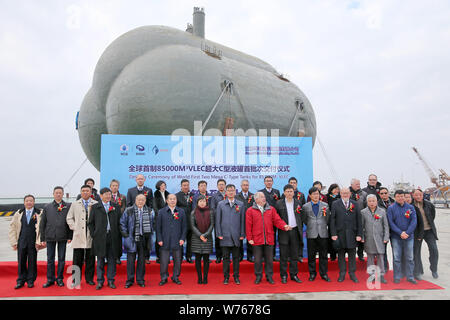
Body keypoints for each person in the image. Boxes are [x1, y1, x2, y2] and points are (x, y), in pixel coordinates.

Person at [246, 192, 290, 284]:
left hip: (269, 238)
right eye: (262, 197)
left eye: (264, 197)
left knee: (269, 260)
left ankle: (269, 276)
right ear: (256, 199)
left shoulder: (271, 209)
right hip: (256, 239)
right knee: (257, 260)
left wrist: (284, 226)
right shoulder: (250, 210)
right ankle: (258, 276)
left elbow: (277, 220)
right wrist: (249, 238)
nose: (264, 198)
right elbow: (248, 225)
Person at [89, 187, 122, 290]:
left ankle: (111, 281)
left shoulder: (115, 206)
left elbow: (119, 222)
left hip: (112, 237)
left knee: (112, 260)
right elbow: (90, 223)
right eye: (106, 194)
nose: (108, 196)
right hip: (100, 238)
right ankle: (100, 281)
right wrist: (94, 234)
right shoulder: (95, 207)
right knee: (100, 260)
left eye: (109, 194)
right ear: (101, 195)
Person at [40, 186, 72, 288]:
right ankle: (50, 279)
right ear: (53, 194)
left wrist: (70, 236)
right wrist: (42, 238)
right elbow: (43, 223)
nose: (58, 194)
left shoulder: (68, 206)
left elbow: (70, 221)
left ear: (63, 194)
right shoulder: (47, 207)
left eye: (60, 193)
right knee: (50, 259)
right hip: (50, 236)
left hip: (63, 236)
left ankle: (59, 279)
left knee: (61, 259)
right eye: (56, 193)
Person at [66, 185, 97, 287]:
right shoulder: (75, 204)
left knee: (90, 259)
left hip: (90, 235)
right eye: (83, 191)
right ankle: (76, 280)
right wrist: (75, 227)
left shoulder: (95, 203)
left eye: (87, 191)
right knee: (77, 259)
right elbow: (69, 218)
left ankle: (89, 279)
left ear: (90, 192)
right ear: (80, 192)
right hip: (78, 235)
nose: (85, 192)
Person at [120, 194, 154, 288]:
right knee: (130, 261)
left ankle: (140, 280)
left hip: (143, 239)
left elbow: (152, 224)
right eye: (139, 200)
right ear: (135, 200)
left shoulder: (149, 211)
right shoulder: (129, 210)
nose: (140, 202)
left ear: (145, 201)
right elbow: (122, 223)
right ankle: (129, 280)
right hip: (132, 238)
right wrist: (126, 236)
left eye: (142, 200)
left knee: (141, 261)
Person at [9, 195, 43, 289]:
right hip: (22, 241)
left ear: (34, 202)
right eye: (27, 201)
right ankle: (20, 280)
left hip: (33, 242)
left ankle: (30, 280)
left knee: (32, 262)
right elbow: (12, 228)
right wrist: (14, 242)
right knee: (21, 261)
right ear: (24, 202)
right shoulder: (19, 213)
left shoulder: (39, 213)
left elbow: (42, 229)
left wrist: (39, 241)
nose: (29, 202)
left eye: (31, 201)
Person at [330, 187, 362, 283]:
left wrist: (359, 234)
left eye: (347, 193)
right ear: (340, 193)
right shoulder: (335, 204)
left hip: (352, 234)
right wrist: (333, 233)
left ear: (350, 194)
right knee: (341, 256)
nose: (345, 195)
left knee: (352, 255)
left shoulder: (355, 204)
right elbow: (332, 220)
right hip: (340, 234)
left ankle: (352, 274)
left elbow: (359, 220)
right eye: (343, 193)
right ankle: (342, 273)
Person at [215, 184, 245, 285]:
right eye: (229, 190)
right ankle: (226, 277)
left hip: (236, 236)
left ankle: (236, 276)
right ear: (226, 192)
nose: (231, 192)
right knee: (226, 258)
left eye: (233, 190)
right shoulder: (221, 204)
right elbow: (217, 220)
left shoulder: (240, 204)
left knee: (236, 258)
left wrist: (242, 234)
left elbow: (242, 221)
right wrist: (219, 233)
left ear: (235, 192)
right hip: (224, 236)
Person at [387, 190, 418, 284]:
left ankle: (410, 276)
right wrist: (400, 233)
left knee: (410, 258)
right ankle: (397, 276)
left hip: (409, 237)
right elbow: (391, 223)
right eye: (398, 196)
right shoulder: (391, 208)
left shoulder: (410, 207)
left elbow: (414, 221)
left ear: (404, 197)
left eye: (402, 196)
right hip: (396, 237)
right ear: (395, 197)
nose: (400, 198)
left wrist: (407, 233)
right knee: (397, 258)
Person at [275, 184, 304, 284]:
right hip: (284, 232)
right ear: (284, 193)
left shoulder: (298, 202)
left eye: (291, 191)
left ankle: (294, 274)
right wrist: (283, 226)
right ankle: (283, 275)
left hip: (295, 231)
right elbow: (276, 219)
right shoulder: (279, 203)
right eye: (287, 191)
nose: (289, 193)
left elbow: (301, 216)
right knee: (283, 255)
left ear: (294, 192)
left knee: (294, 255)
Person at [302, 187, 331, 282]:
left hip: (322, 233)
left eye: (317, 194)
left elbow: (327, 220)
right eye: (313, 194)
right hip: (311, 233)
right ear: (310, 196)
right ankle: (312, 273)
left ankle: (324, 274)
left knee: (323, 255)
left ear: (320, 195)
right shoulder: (305, 206)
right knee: (311, 255)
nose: (316, 196)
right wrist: (311, 225)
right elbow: (304, 220)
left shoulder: (325, 205)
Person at [157, 194, 187, 286]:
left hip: (177, 240)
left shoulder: (181, 211)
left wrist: (182, 238)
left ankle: (175, 277)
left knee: (178, 260)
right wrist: (159, 239)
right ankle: (164, 277)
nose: (172, 200)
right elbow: (158, 227)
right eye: (170, 199)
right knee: (164, 261)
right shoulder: (161, 212)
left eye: (174, 199)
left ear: (176, 200)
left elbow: (184, 227)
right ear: (167, 201)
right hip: (164, 240)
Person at [360, 194, 389, 284]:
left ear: (376, 202)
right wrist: (362, 237)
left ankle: (381, 275)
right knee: (370, 258)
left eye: (373, 201)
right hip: (369, 238)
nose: (372, 203)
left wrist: (386, 237)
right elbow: (361, 226)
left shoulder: (382, 211)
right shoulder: (363, 212)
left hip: (380, 238)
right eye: (370, 201)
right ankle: (371, 275)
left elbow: (386, 226)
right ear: (367, 202)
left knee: (381, 257)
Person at [412, 189, 439, 280]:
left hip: (429, 231)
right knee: (416, 252)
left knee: (434, 250)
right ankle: (419, 271)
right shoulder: (411, 206)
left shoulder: (429, 205)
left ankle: (434, 269)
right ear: (413, 196)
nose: (418, 196)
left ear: (422, 195)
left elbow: (432, 216)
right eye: (416, 195)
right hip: (418, 232)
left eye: (420, 194)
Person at [190, 195, 214, 284]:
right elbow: (192, 226)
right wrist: (200, 235)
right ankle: (199, 277)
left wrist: (205, 235)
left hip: (207, 238)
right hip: (196, 238)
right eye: (200, 201)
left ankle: (205, 278)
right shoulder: (193, 212)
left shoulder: (210, 212)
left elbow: (212, 225)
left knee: (206, 259)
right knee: (197, 259)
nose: (202, 203)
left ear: (206, 202)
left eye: (204, 201)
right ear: (197, 203)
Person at [259, 176, 281, 261]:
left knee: (273, 237)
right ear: (264, 182)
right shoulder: (261, 192)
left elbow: (279, 204)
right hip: (263, 218)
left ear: (272, 182)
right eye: (267, 181)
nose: (269, 182)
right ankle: (263, 256)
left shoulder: (276, 192)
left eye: (270, 181)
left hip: (274, 218)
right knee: (263, 237)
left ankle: (273, 255)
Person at [176, 179, 195, 263]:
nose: (186, 187)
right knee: (179, 241)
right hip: (180, 223)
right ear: (181, 186)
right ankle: (179, 257)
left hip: (191, 222)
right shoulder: (176, 196)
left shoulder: (193, 195)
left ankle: (189, 256)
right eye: (184, 185)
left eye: (187, 185)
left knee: (190, 241)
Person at [235, 179, 255, 262]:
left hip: (251, 221)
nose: (245, 186)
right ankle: (240, 256)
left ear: (249, 186)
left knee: (250, 239)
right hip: (240, 220)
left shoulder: (253, 196)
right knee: (240, 239)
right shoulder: (236, 196)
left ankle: (250, 256)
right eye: (244, 185)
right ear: (241, 186)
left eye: (247, 185)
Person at [350, 178, 368, 261]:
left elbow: (366, 206)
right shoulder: (348, 193)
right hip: (350, 219)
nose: (358, 186)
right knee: (351, 237)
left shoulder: (364, 194)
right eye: (357, 184)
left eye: (359, 184)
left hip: (360, 218)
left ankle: (360, 254)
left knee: (361, 236)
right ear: (352, 185)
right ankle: (352, 254)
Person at [210, 179, 227, 264]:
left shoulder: (229, 195)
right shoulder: (214, 196)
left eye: (223, 184)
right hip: (218, 221)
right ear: (217, 186)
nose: (221, 186)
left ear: (225, 186)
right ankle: (218, 256)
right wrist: (223, 211)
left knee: (227, 239)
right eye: (220, 184)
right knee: (218, 239)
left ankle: (226, 257)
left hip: (228, 221)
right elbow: (212, 209)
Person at [110, 179, 126, 265]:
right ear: (110, 187)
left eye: (116, 185)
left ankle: (118, 257)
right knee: (109, 240)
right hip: (109, 221)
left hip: (119, 221)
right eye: (113, 185)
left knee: (118, 240)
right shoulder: (107, 196)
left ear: (118, 187)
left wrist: (118, 213)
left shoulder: (123, 197)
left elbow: (124, 207)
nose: (115, 187)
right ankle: (108, 257)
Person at [153, 180, 170, 264]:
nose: (163, 187)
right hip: (159, 219)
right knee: (159, 239)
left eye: (164, 185)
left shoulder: (168, 194)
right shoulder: (155, 195)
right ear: (158, 186)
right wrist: (161, 214)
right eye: (162, 185)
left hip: (168, 220)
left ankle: (166, 257)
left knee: (167, 238)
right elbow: (155, 208)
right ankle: (158, 256)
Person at [326, 184, 340, 261]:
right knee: (331, 237)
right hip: (330, 219)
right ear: (331, 189)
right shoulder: (327, 197)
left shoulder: (340, 197)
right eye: (334, 189)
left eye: (337, 189)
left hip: (339, 220)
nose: (336, 190)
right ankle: (332, 255)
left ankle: (339, 254)